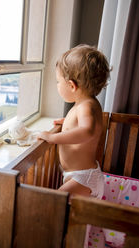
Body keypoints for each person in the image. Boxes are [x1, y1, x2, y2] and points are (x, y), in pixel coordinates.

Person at [38, 44, 110, 198]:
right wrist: (68, 123)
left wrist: (52, 138)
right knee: (69, 214)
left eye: (58, 82)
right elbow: (86, 125)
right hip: (80, 175)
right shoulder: (88, 103)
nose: (57, 85)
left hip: (83, 178)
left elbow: (87, 131)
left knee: (52, 203)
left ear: (71, 85)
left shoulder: (86, 106)